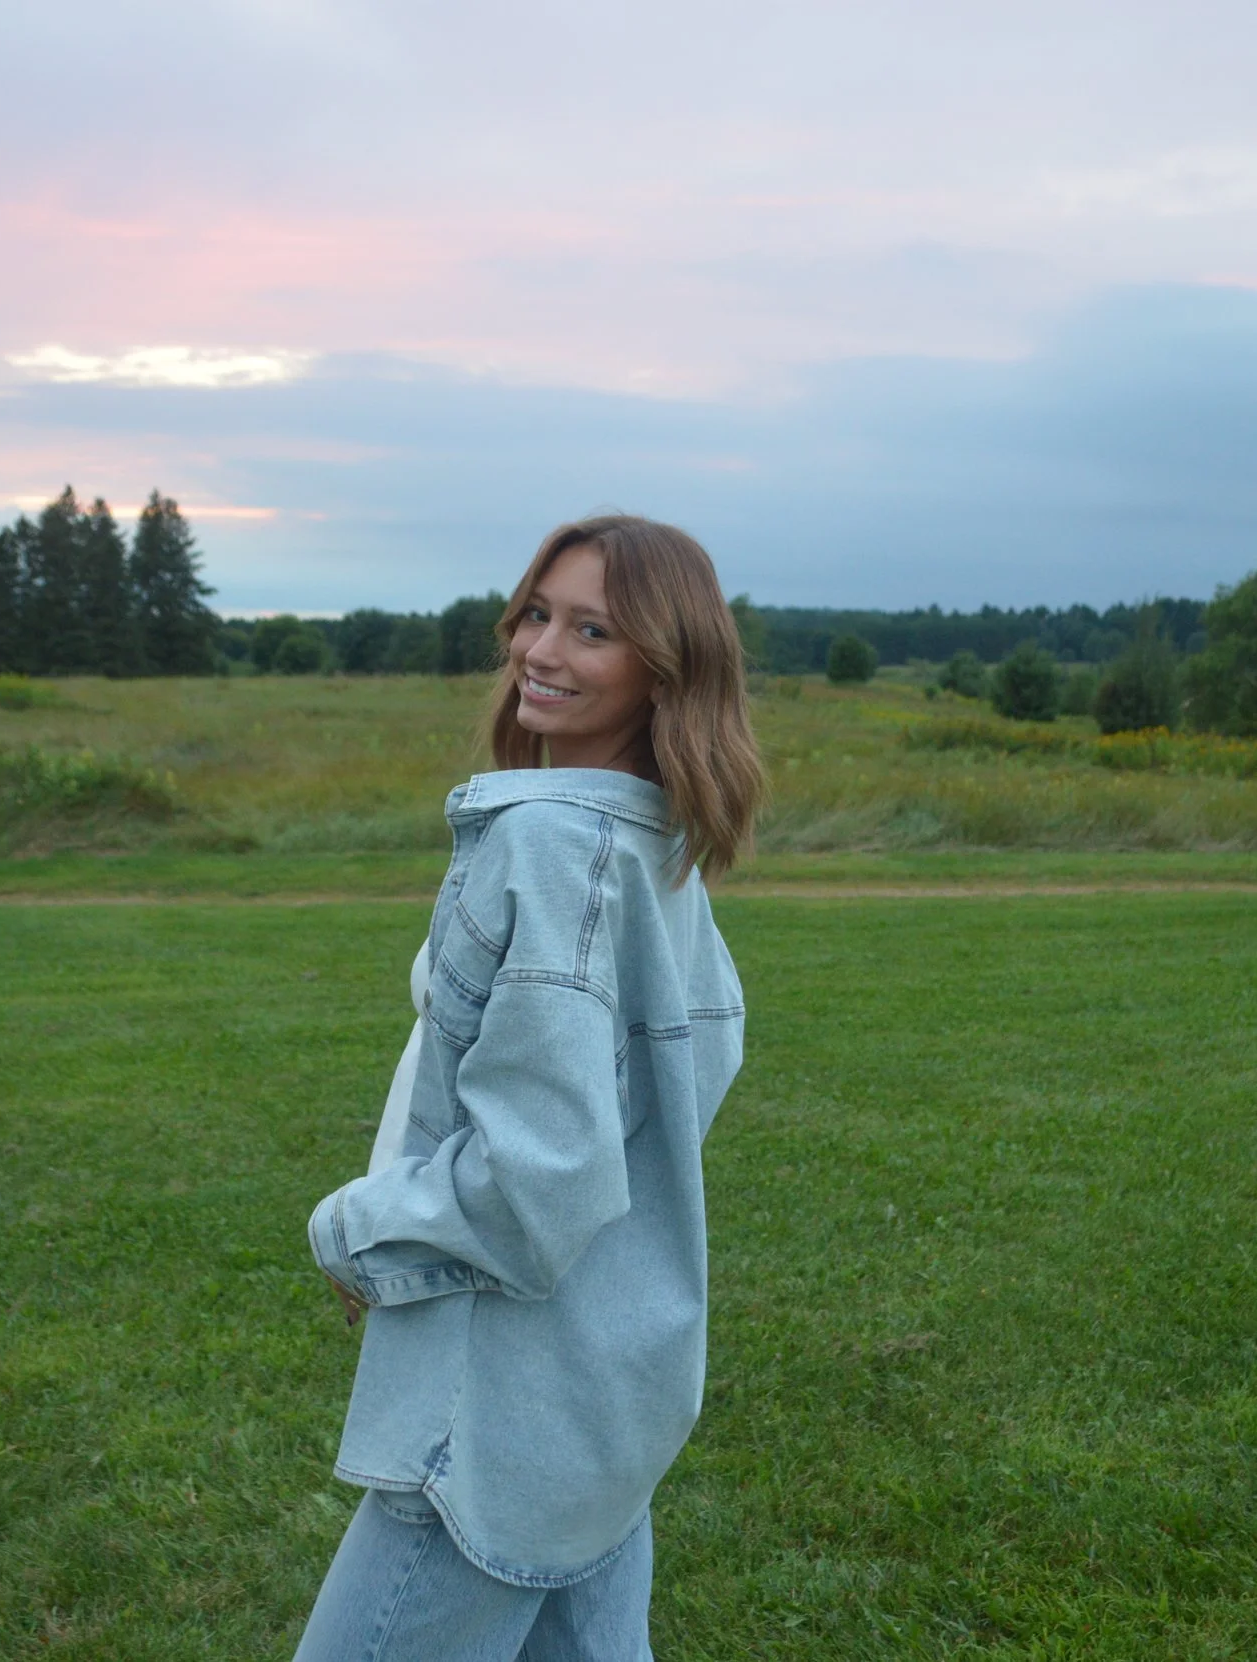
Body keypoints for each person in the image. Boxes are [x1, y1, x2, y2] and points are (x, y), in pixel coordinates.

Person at [295, 515, 765, 1661]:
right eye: (536, 614)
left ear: (663, 665)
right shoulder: (655, 847)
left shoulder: (549, 845)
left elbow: (537, 1175)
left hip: (499, 1412)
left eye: (591, 629)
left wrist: (358, 1232)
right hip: (603, 1393)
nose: (540, 651)